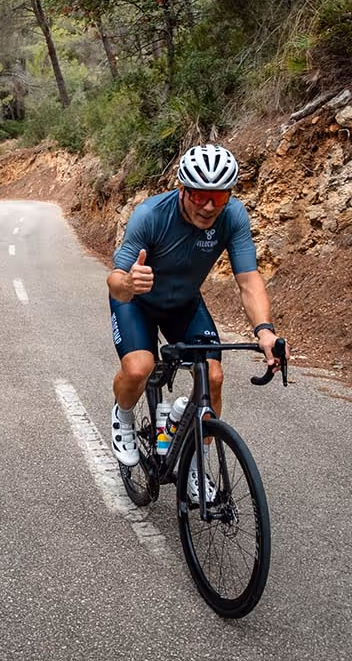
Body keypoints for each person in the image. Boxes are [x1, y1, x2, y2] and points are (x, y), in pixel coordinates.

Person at [106, 144, 285, 501]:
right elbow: (114, 281)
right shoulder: (151, 215)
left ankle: (194, 466)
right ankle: (123, 419)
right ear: (183, 189)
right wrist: (129, 283)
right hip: (136, 301)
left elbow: (249, 281)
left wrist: (265, 331)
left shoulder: (233, 216)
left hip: (184, 303)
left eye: (219, 198)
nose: (208, 207)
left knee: (213, 377)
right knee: (140, 367)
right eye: (201, 195)